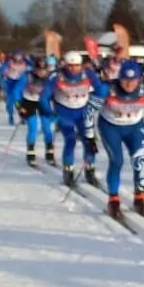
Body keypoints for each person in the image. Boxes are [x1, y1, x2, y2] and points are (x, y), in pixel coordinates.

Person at [94, 59, 144, 219]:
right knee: (117, 161)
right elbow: (89, 111)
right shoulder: (107, 88)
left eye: (133, 80)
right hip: (110, 127)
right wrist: (89, 137)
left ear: (139, 79)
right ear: (119, 78)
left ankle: (140, 198)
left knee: (139, 161)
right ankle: (113, 200)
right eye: (125, 80)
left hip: (134, 127)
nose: (129, 84)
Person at [44, 52, 102, 187]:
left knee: (89, 141)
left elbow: (100, 90)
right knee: (70, 140)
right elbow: (44, 96)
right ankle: (68, 171)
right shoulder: (56, 75)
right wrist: (50, 112)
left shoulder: (88, 74)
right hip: (64, 112)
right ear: (65, 64)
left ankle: (90, 169)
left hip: (83, 112)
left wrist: (94, 105)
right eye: (70, 65)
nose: (73, 69)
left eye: (76, 65)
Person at [19, 56, 56, 167]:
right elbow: (17, 90)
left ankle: (49, 152)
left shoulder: (50, 79)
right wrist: (19, 106)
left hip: (43, 103)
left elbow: (54, 93)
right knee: (33, 127)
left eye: (43, 69)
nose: (41, 72)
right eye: (39, 69)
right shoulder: (27, 76)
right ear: (34, 68)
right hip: (29, 102)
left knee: (47, 128)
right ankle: (30, 153)